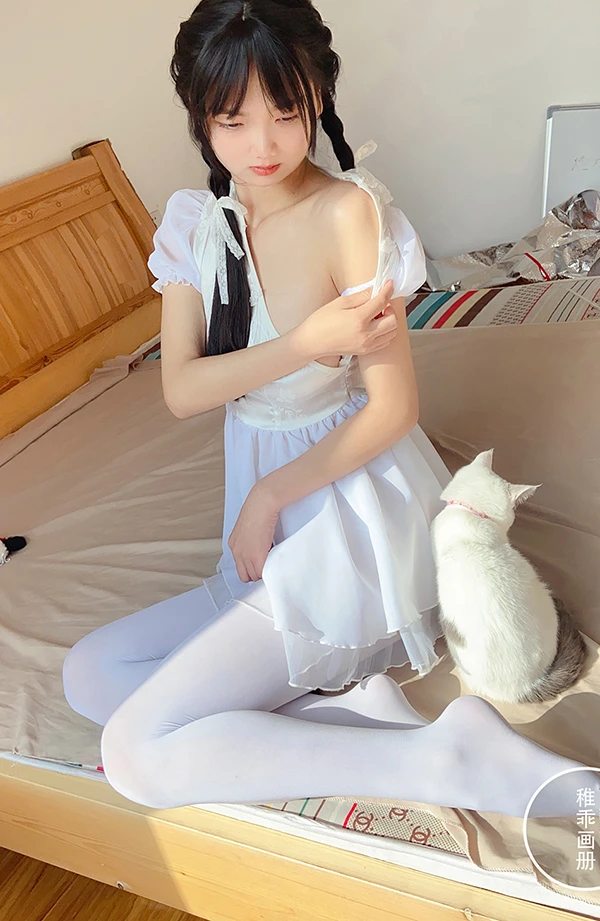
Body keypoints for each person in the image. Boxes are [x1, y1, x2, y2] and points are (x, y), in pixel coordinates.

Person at [63, 0, 585, 816]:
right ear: (201, 117)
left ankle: (445, 759)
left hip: (344, 518)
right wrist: (305, 341)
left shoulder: (348, 213)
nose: (262, 145)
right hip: (262, 520)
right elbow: (181, 390)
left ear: (318, 94)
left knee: (134, 753)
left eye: (285, 112)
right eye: (232, 120)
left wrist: (271, 496)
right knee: (88, 674)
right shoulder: (198, 222)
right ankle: (365, 717)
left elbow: (393, 408)